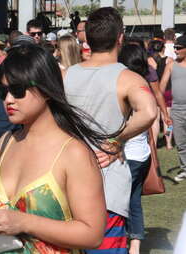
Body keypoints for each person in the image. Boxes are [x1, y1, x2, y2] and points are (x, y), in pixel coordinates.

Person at [0, 43, 110, 253]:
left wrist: (24, 222)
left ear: (46, 90)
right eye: (2, 91)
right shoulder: (6, 141)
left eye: (18, 90)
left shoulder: (73, 153)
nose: (8, 100)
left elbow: (93, 234)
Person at [64, 7, 157, 254]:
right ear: (120, 38)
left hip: (67, 185)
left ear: (87, 39)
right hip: (106, 187)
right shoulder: (128, 78)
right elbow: (148, 112)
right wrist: (115, 139)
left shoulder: (66, 75)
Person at [117, 43, 160, 254]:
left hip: (129, 155)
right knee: (133, 199)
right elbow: (154, 121)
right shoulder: (144, 84)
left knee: (124, 200)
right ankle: (134, 243)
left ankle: (130, 243)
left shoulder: (127, 86)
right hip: (141, 153)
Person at [160, 35, 186, 182]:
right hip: (176, 110)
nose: (175, 50)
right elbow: (162, 87)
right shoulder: (171, 65)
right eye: (175, 47)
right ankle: (185, 169)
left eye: (179, 48)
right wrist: (161, 108)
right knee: (181, 143)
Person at [150, 39, 174, 149]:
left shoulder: (149, 60)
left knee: (155, 121)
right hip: (167, 92)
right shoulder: (169, 60)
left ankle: (154, 143)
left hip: (153, 92)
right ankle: (168, 143)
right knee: (167, 119)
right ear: (163, 48)